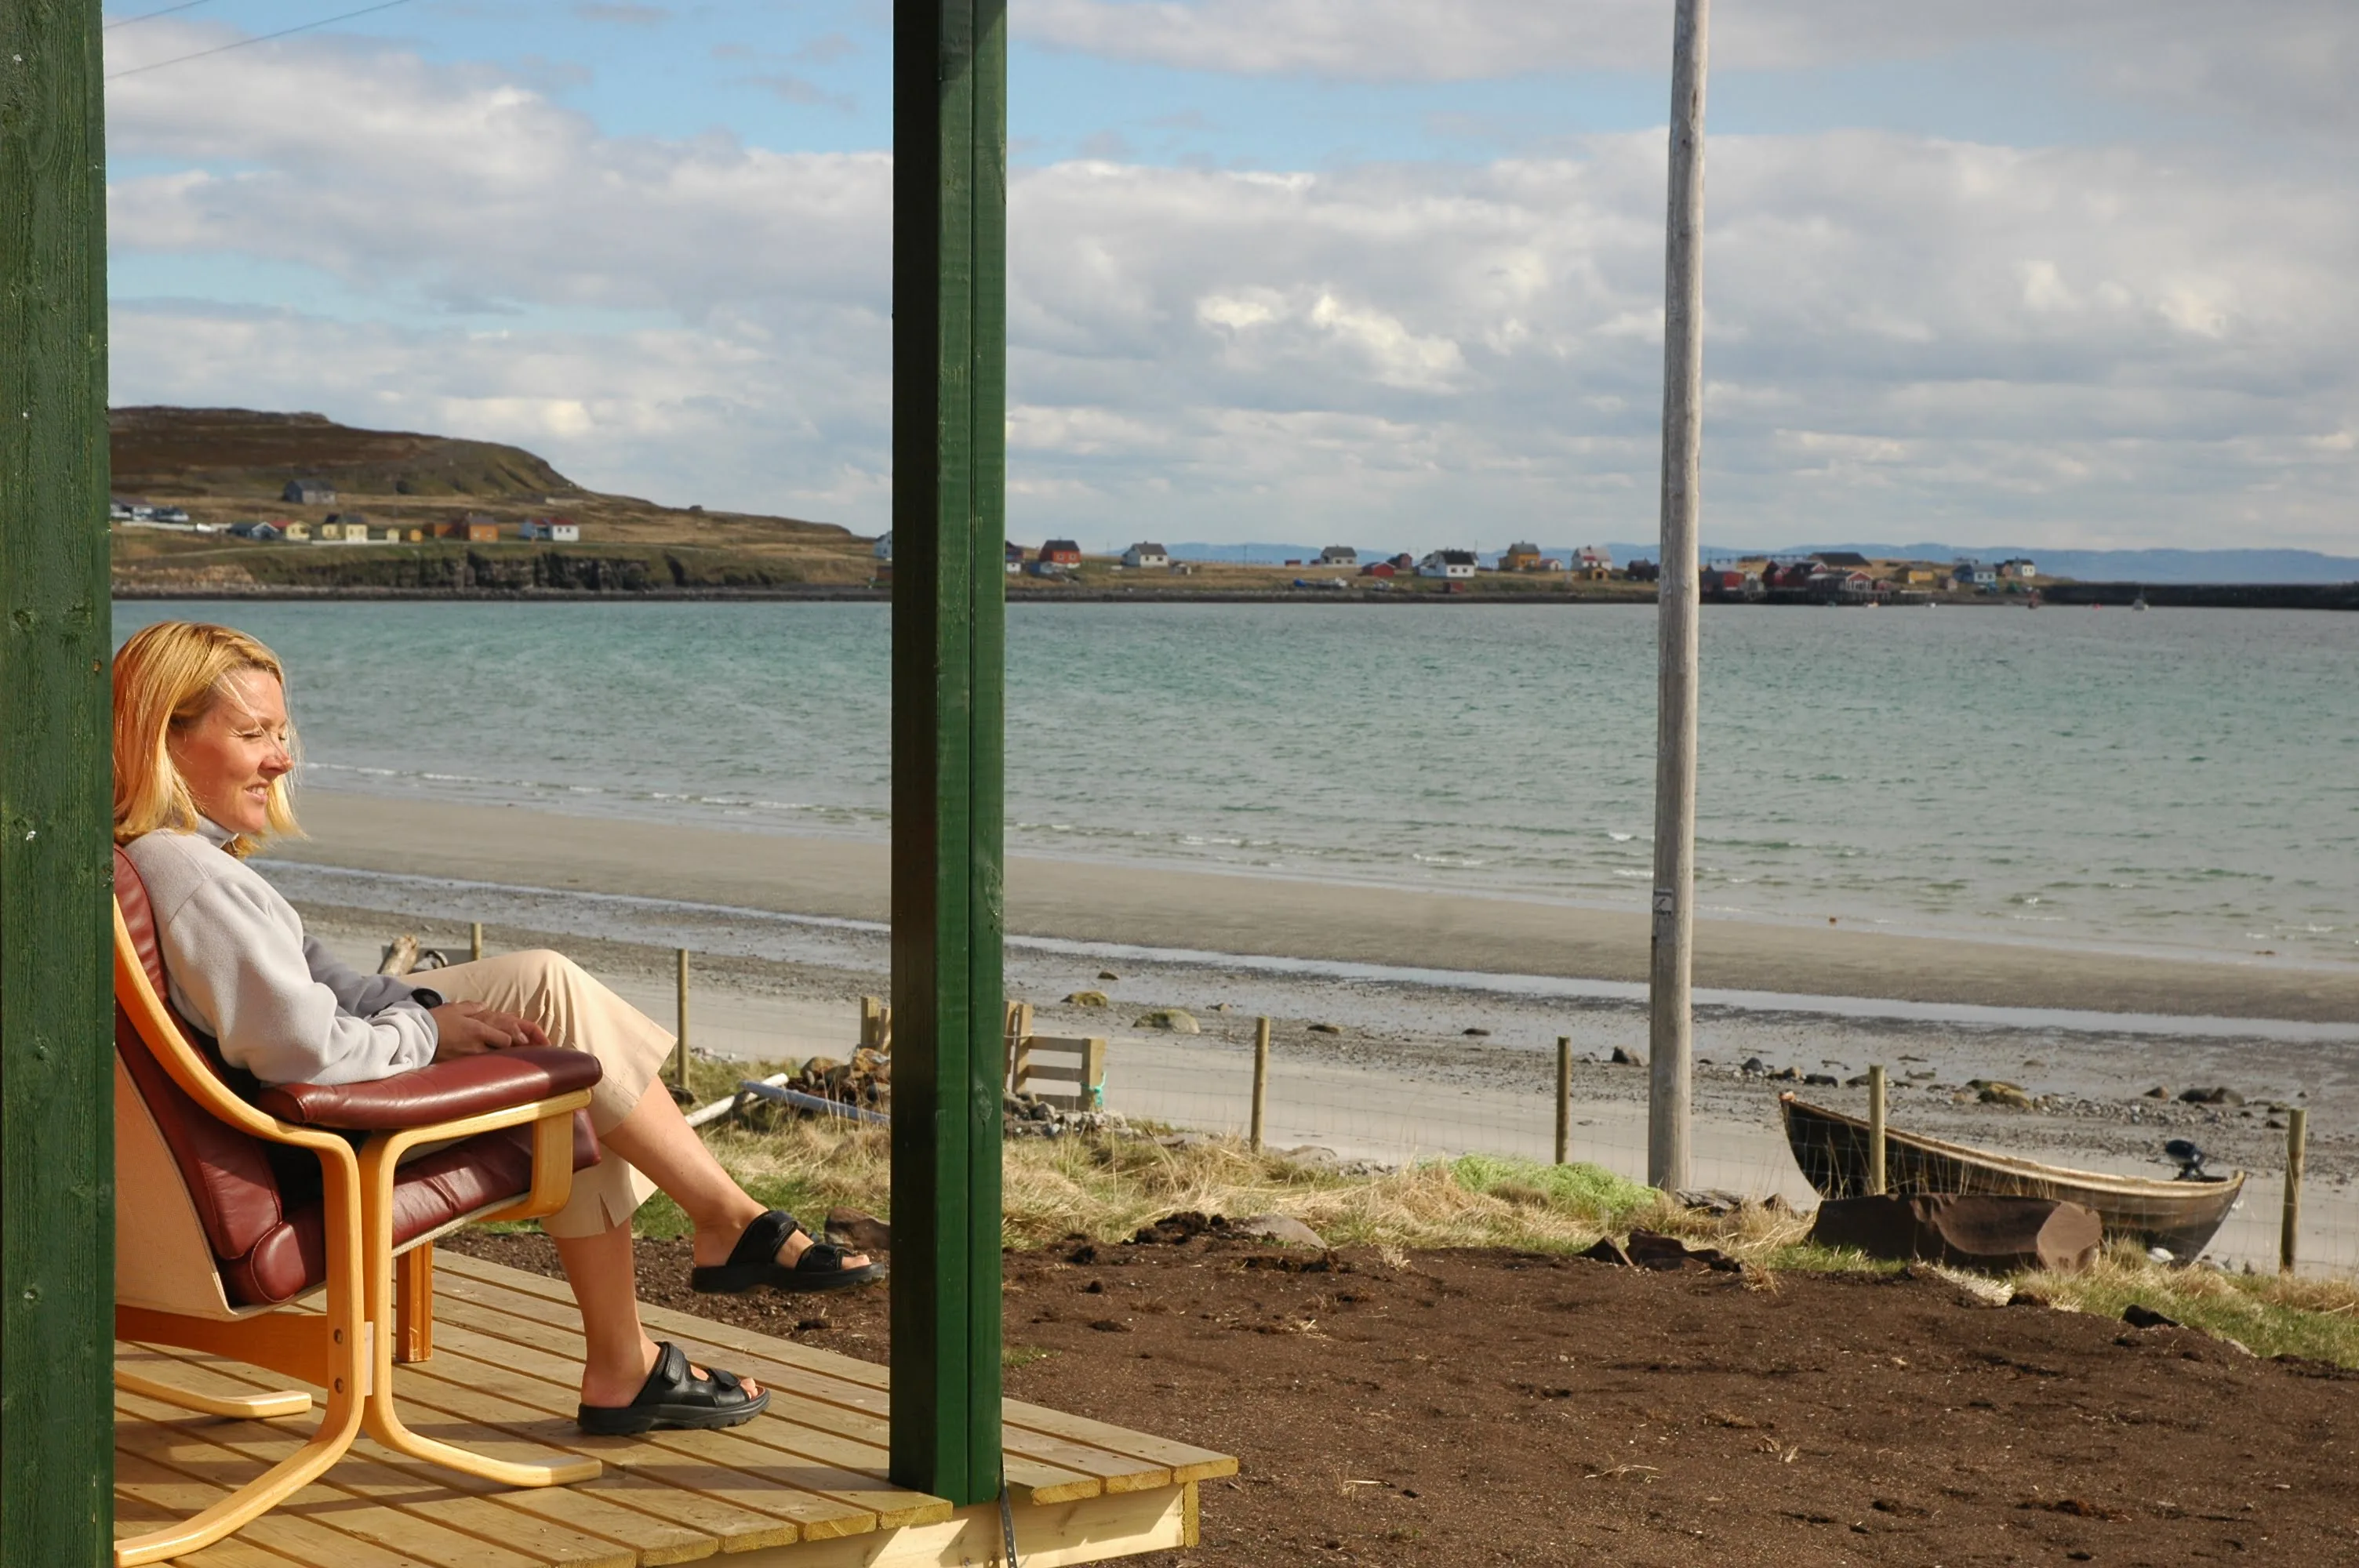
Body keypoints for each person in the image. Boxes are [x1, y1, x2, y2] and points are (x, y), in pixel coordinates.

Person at [112, 620, 881, 1436]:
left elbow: (319, 982)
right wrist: (429, 1038)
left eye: (282, 732)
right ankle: (697, 1261)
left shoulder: (180, 856)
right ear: (166, 736)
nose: (282, 757)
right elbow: (309, 1051)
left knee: (547, 989)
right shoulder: (195, 877)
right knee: (564, 1073)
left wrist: (422, 1006)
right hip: (327, 1132)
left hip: (304, 1090)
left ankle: (708, 1244)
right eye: (253, 734)